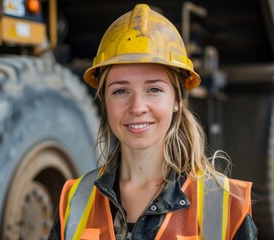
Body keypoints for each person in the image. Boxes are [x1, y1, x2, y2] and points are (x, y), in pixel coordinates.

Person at [49, 4, 257, 240]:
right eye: (120, 91)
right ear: (104, 100)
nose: (137, 107)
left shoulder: (225, 205)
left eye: (154, 89)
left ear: (178, 99)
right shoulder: (74, 201)